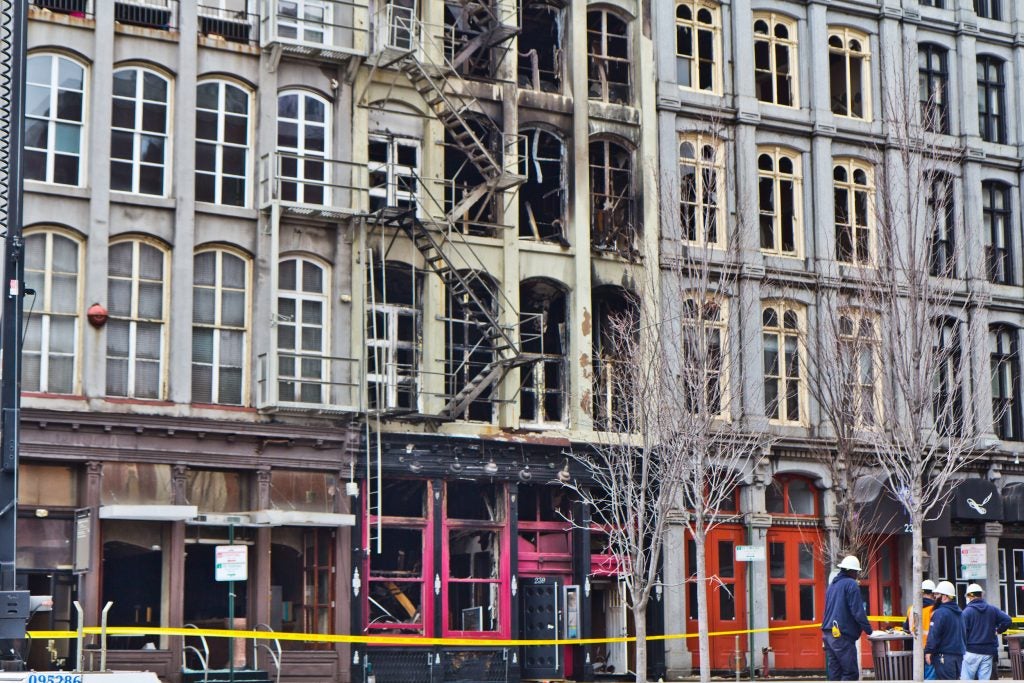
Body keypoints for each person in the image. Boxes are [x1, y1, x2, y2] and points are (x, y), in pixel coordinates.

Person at [821, 555, 873, 681]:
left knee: (835, 674)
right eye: (856, 572)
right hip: (841, 636)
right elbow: (858, 611)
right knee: (850, 673)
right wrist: (870, 631)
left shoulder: (832, 585)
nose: (857, 575)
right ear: (851, 571)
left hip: (828, 634)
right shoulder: (851, 584)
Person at [961, 583, 1011, 680]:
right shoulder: (992, 609)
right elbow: (1007, 620)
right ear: (981, 595)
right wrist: (999, 630)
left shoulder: (966, 612)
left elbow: (962, 632)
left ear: (970, 596)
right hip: (988, 652)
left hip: (971, 651)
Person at [924, 580, 965, 681]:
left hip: (944, 656)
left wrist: (929, 651)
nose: (935, 597)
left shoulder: (940, 612)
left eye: (937, 594)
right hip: (958, 655)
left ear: (945, 596)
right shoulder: (959, 612)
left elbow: (934, 634)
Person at [904, 579, 938, 679]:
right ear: (933, 593)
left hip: (914, 647)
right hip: (930, 647)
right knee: (930, 675)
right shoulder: (935, 609)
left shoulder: (912, 608)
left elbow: (906, 628)